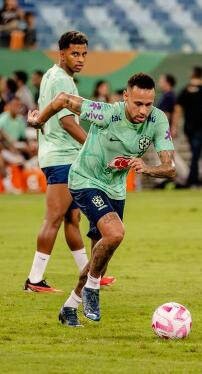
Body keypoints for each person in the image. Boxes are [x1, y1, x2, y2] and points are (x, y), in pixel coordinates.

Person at [28, 73, 176, 327]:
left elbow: (170, 167)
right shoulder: (107, 113)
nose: (143, 110)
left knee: (101, 257)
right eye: (138, 103)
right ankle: (92, 289)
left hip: (115, 189)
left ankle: (70, 307)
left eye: (148, 104)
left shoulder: (158, 119)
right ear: (125, 97)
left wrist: (147, 167)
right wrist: (39, 121)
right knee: (116, 232)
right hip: (85, 180)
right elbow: (63, 99)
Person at [24, 31, 113, 293]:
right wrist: (93, 147)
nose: (81, 59)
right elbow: (67, 122)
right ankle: (35, 280)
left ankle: (89, 274)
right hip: (62, 158)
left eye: (84, 54)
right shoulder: (63, 82)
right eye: (75, 53)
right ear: (61, 53)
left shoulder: (51, 75)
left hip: (62, 156)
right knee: (52, 219)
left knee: (71, 220)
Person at [174, 66, 202, 188]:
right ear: (201, 75)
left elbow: (178, 109)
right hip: (201, 127)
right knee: (196, 155)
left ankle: (193, 180)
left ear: (192, 75)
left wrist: (174, 126)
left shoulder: (185, 90)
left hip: (189, 128)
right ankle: (193, 181)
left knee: (195, 154)